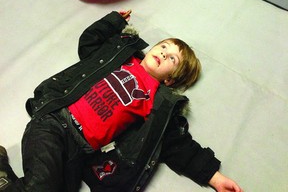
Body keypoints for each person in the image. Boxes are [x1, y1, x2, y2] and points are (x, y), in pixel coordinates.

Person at [0, 10, 242, 192]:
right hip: (55, 121)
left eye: (172, 59)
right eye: (164, 46)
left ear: (170, 80)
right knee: (41, 187)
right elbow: (88, 44)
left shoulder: (158, 102)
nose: (164, 53)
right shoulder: (119, 55)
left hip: (79, 150)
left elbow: (175, 143)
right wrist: (114, 22)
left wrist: (215, 177)